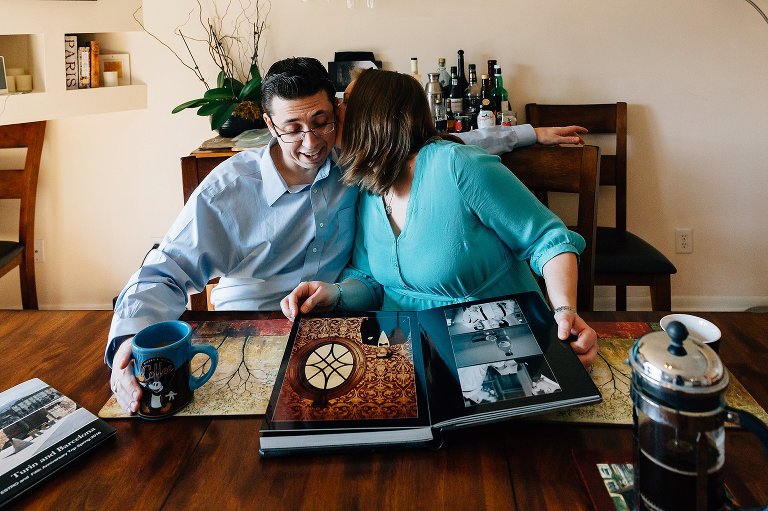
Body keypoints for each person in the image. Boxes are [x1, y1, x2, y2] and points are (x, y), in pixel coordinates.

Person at [107, 57, 588, 415]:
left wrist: (529, 134)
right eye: (292, 128)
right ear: (268, 124)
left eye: (322, 122)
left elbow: (443, 148)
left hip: (387, 333)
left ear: (345, 119)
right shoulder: (231, 190)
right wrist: (129, 339)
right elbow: (165, 268)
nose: (311, 142)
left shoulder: (360, 164)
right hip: (260, 332)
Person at [281, 69, 597, 368]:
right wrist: (334, 294)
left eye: (343, 101)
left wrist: (564, 310)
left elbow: (549, 240)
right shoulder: (367, 186)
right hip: (406, 354)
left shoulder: (456, 166)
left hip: (495, 346)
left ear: (371, 113)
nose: (335, 109)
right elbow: (372, 281)